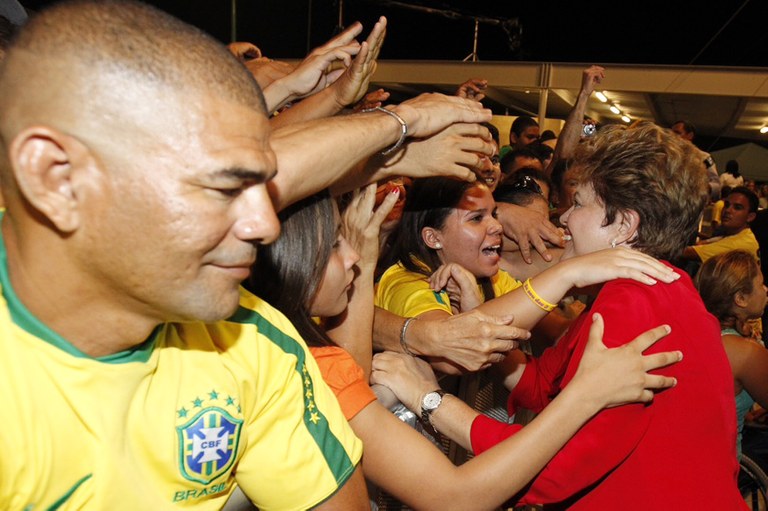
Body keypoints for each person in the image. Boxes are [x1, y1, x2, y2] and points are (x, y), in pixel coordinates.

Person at [0, 1, 496, 508]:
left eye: (263, 184)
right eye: (222, 188)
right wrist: (399, 124)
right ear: (57, 178)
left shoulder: (250, 341)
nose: (263, 225)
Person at [373, 122, 744, 509]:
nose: (564, 218)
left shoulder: (633, 304)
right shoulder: (658, 287)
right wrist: (479, 315)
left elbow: (546, 471)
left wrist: (429, 399)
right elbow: (538, 385)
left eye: (580, 203)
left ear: (624, 224)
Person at [248, 186, 680, 510]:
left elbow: (354, 366)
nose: (358, 260)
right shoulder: (291, 363)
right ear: (294, 260)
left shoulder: (319, 357)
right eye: (337, 245)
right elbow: (457, 493)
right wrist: (569, 275)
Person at [376, 175, 679, 373]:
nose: (496, 227)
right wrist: (568, 273)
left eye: (495, 215)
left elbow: (556, 330)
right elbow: (453, 353)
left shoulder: (492, 279)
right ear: (433, 238)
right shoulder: (409, 281)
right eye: (477, 218)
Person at [696, 250, 768, 457]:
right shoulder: (745, 353)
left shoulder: (695, 333)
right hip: (719, 465)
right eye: (760, 284)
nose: (765, 290)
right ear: (741, 299)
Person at [682, 186, 760, 264]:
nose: (728, 210)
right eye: (726, 205)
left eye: (737, 208)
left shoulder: (740, 243)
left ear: (750, 217)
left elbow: (686, 253)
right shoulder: (742, 235)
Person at [671, 119, 721, 201]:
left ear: (690, 135)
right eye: (671, 133)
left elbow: (717, 186)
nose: (672, 136)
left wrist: (702, 187)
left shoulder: (704, 158)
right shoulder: (667, 157)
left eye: (677, 133)